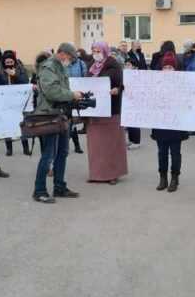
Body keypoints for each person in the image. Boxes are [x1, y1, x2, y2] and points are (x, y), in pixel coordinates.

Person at [32, 43, 84, 203]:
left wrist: (73, 99)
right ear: (62, 54)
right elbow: (52, 92)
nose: (71, 61)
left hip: (61, 114)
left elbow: (61, 89)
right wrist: (72, 95)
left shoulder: (60, 66)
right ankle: (39, 190)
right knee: (48, 155)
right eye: (70, 57)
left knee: (62, 152)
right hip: (49, 115)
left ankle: (59, 187)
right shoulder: (48, 67)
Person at [85, 41, 127, 184]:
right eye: (93, 51)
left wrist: (117, 90)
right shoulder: (91, 66)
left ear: (105, 51)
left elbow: (123, 85)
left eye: (98, 51)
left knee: (111, 144)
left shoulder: (114, 65)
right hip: (94, 110)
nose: (95, 54)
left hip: (111, 110)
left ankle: (113, 174)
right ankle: (96, 174)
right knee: (95, 145)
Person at [153, 52, 189, 192]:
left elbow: (191, 97)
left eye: (170, 67)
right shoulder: (155, 84)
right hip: (160, 123)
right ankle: (163, 177)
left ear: (175, 69)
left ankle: (174, 177)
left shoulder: (182, 84)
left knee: (175, 152)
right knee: (161, 152)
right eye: (165, 67)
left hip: (176, 124)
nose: (167, 70)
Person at [0, 50, 31, 156]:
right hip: (6, 102)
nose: (9, 64)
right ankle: (9, 148)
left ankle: (26, 147)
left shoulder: (20, 69)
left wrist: (15, 75)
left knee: (22, 124)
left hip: (19, 102)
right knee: (7, 125)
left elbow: (25, 81)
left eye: (11, 62)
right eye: (7, 62)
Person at [64, 51, 88, 154]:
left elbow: (85, 77)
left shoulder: (81, 64)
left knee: (72, 121)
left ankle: (73, 146)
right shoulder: (64, 63)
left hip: (77, 95)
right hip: (66, 95)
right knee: (70, 120)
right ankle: (72, 146)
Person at [122, 57, 142, 150]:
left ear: (134, 67)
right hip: (127, 101)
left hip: (135, 101)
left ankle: (136, 142)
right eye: (125, 65)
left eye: (128, 65)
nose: (126, 66)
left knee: (135, 122)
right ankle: (131, 139)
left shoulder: (138, 76)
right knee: (129, 121)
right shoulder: (125, 75)